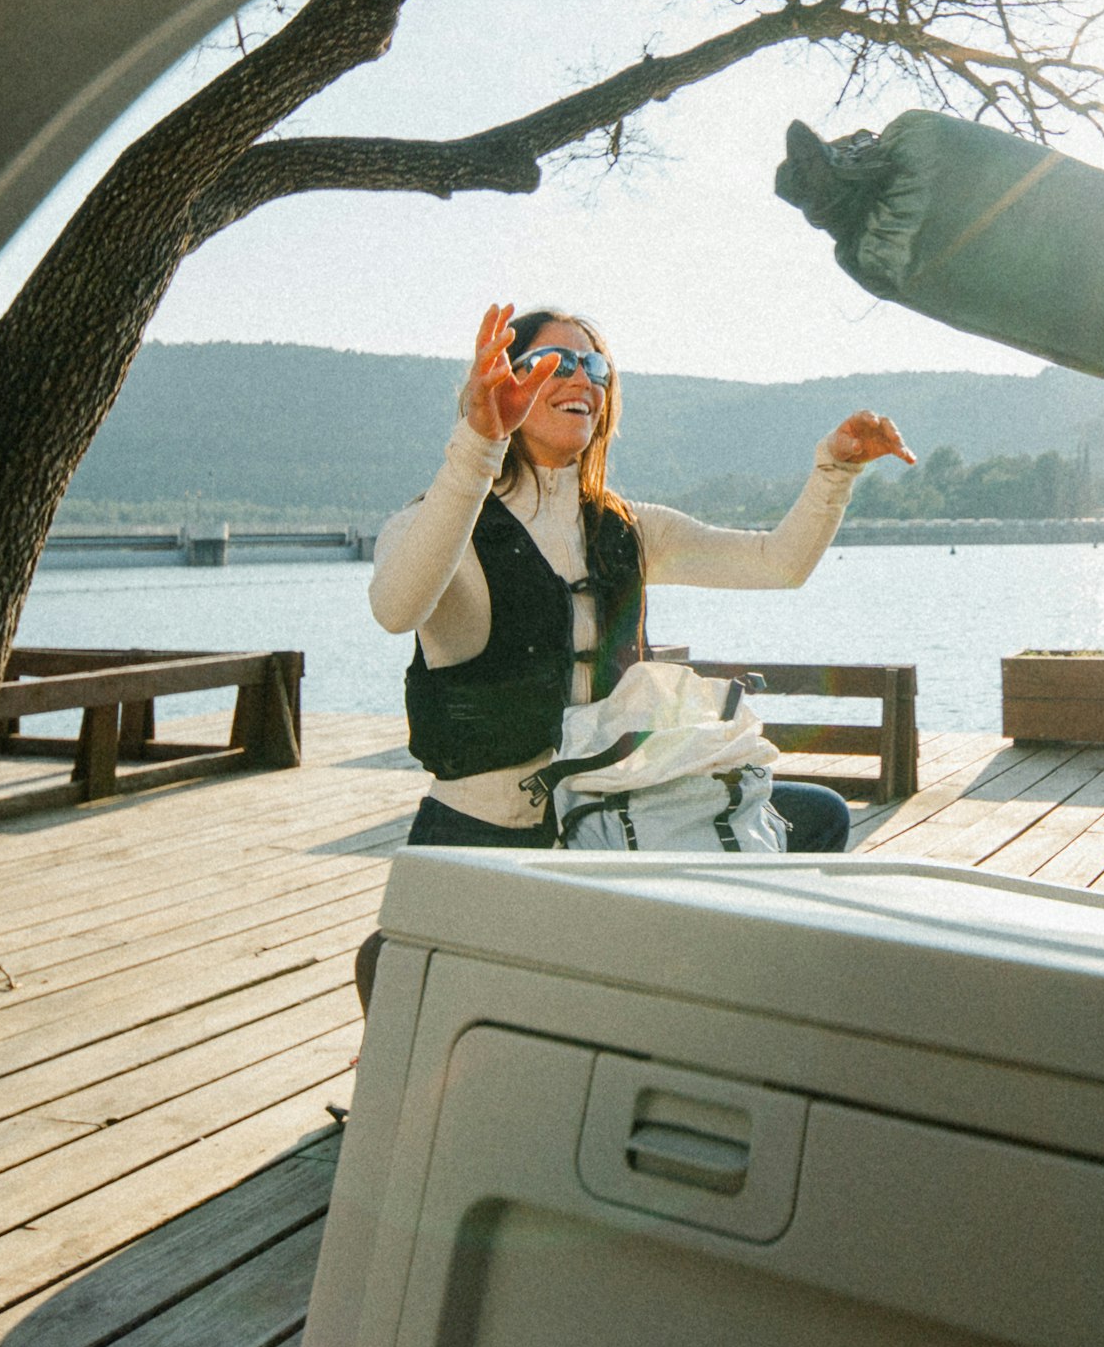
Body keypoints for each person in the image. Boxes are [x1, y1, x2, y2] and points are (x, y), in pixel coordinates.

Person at [365, 301, 910, 925]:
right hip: (487, 835)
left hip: (621, 816)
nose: (582, 379)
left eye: (595, 366)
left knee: (817, 817)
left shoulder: (628, 527)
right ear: (506, 379)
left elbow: (777, 563)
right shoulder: (431, 522)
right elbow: (395, 608)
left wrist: (834, 470)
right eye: (555, 361)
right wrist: (479, 443)